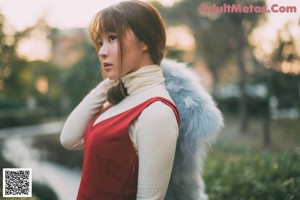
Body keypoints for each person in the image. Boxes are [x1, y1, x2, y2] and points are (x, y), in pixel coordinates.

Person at [60, 1, 223, 200]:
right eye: (100, 42)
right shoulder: (120, 99)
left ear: (145, 41)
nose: (102, 51)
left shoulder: (156, 112)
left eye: (112, 38)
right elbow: (69, 139)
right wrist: (108, 84)